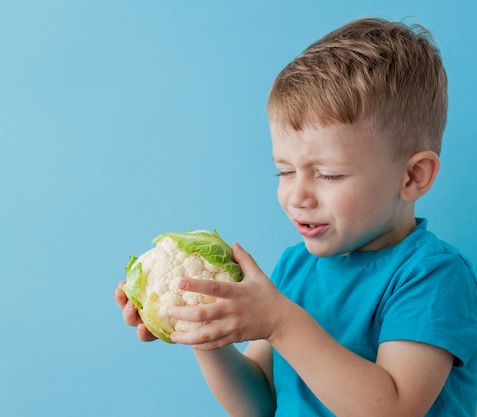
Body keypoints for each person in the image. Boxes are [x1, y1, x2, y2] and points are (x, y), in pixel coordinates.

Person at [114, 17, 477, 417]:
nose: (296, 195)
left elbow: (393, 408)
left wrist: (280, 323)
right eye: (284, 171)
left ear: (412, 177)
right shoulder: (294, 266)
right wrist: (206, 333)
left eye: (328, 174)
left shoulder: (432, 276)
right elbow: (259, 404)